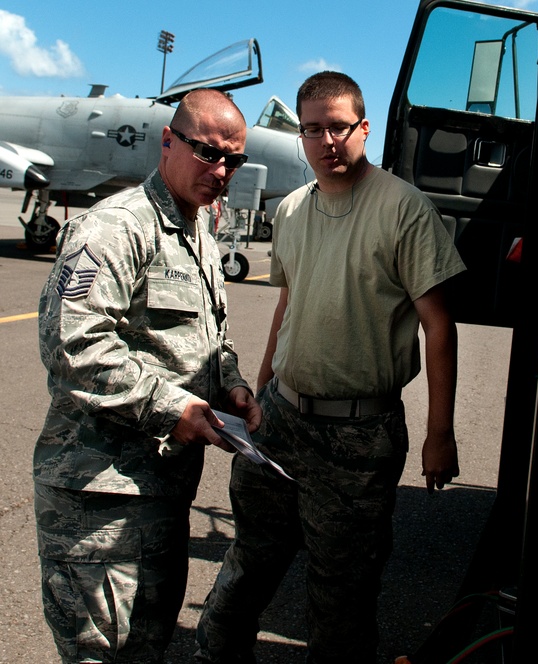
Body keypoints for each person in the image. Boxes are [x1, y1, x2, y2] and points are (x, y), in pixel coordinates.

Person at [195, 71, 467, 663]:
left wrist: (438, 435)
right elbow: (287, 305)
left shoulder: (404, 210)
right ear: (301, 135)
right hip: (282, 419)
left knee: (340, 597)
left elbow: (439, 326)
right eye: (313, 129)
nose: (327, 141)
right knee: (248, 567)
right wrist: (263, 390)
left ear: (363, 128)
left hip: (358, 438)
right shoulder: (292, 210)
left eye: (339, 127)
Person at [34, 88, 263, 663]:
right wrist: (171, 408)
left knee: (148, 650)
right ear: (168, 142)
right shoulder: (116, 227)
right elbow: (71, 344)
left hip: (162, 494)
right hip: (100, 502)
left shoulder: (200, 236)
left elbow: (209, 338)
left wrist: (229, 384)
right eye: (208, 153)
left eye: (233, 159)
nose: (222, 171)